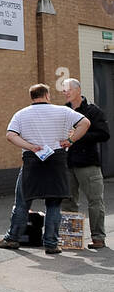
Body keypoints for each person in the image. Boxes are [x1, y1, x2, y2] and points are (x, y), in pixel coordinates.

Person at [0, 84, 90, 255]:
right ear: (47, 95)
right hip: (56, 161)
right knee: (53, 204)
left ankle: (12, 238)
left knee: (22, 202)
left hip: (32, 162)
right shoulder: (63, 111)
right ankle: (51, 244)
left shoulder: (21, 114)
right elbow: (85, 123)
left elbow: (10, 135)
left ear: (32, 97)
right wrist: (70, 141)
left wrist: (30, 146)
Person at [60, 78, 108, 250]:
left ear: (78, 90)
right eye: (63, 90)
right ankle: (71, 240)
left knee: (95, 201)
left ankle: (98, 238)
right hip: (67, 163)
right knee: (67, 202)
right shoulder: (63, 112)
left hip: (88, 163)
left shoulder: (93, 111)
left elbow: (104, 134)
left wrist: (77, 136)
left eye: (67, 89)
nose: (64, 92)